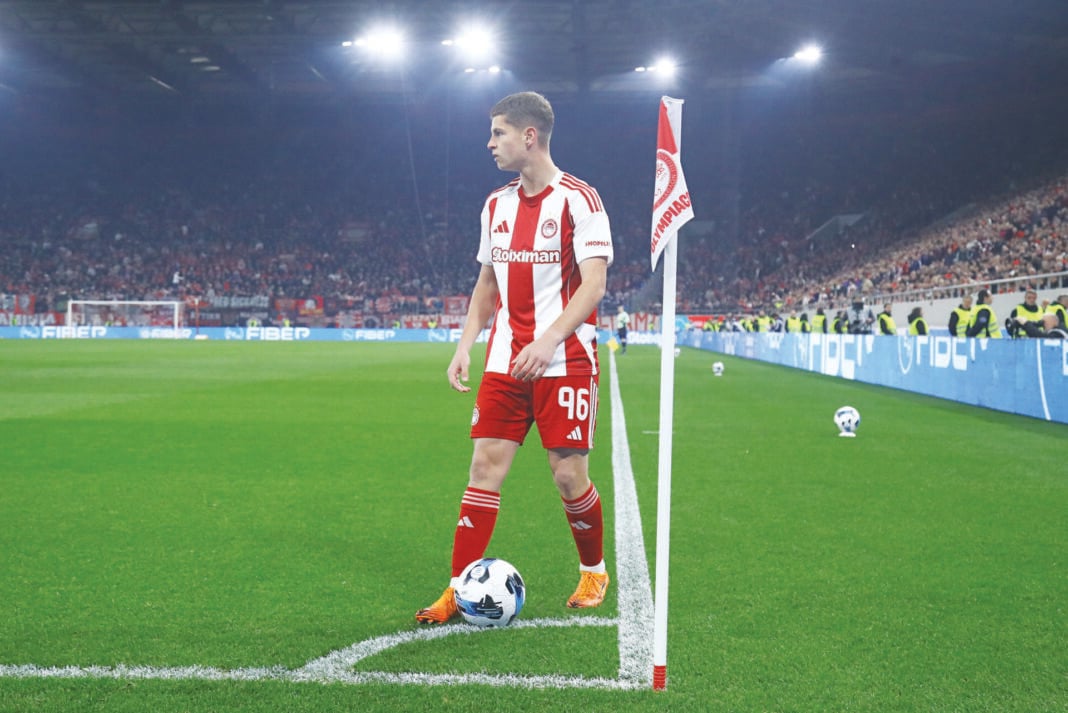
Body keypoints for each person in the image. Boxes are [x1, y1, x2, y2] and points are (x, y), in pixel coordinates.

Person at [415, 91, 613, 625]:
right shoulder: (495, 205)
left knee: (567, 475)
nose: (490, 142)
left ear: (529, 136)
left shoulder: (580, 200)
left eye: (498, 132)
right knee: (484, 467)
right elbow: (487, 284)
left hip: (565, 361)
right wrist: (465, 344)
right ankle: (457, 587)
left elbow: (593, 285)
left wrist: (548, 340)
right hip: (505, 361)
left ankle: (593, 570)